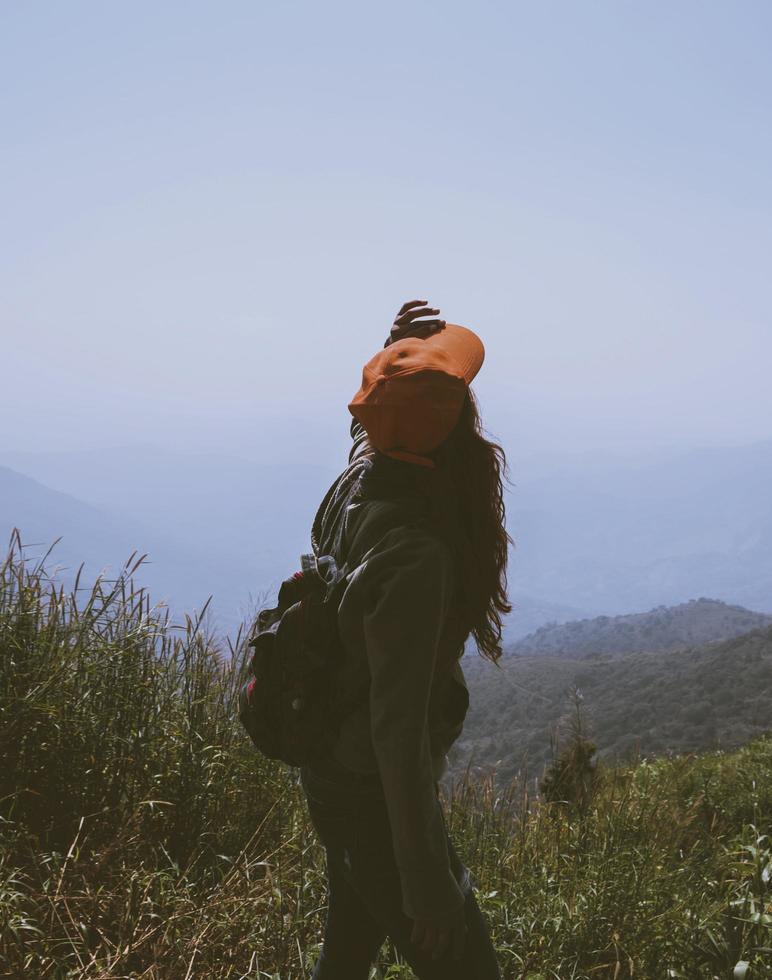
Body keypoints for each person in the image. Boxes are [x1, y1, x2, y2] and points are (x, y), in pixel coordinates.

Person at [298, 299, 511, 979]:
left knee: (347, 953)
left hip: (329, 769)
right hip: (370, 792)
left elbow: (369, 429)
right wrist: (427, 888)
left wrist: (395, 357)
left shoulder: (357, 484)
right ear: (451, 428)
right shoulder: (416, 552)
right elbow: (397, 734)